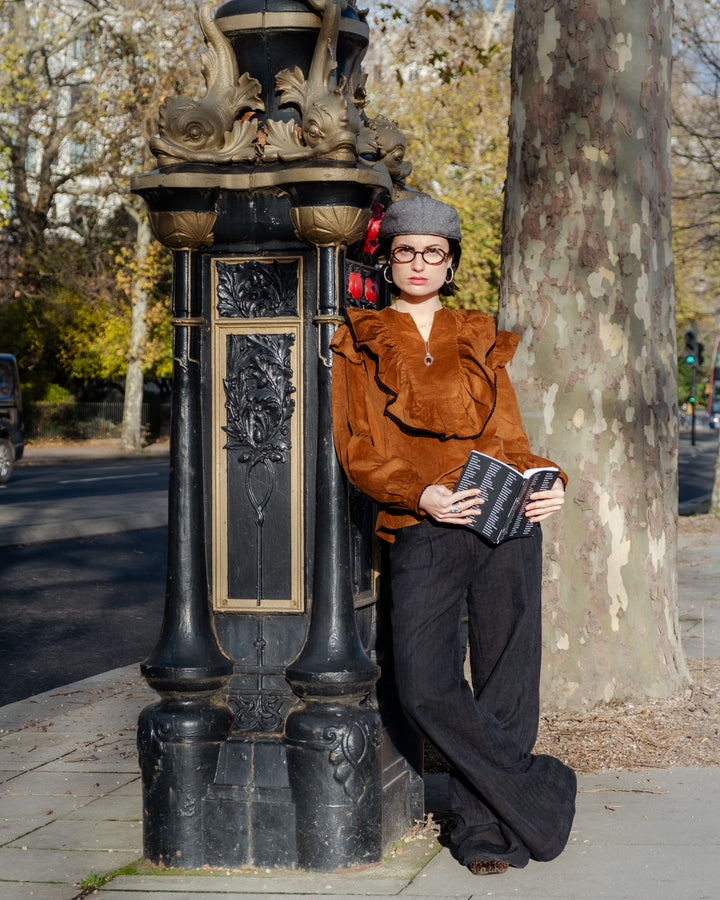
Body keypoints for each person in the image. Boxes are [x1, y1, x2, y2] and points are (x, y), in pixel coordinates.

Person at [329, 194, 577, 875]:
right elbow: (355, 449)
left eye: (432, 252)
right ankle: (541, 789)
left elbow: (514, 442)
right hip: (424, 528)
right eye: (406, 251)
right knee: (424, 685)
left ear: (450, 263)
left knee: (507, 681)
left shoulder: (477, 333)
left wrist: (550, 481)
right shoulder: (359, 338)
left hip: (507, 525)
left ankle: (484, 831)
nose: (418, 263)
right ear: (389, 260)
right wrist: (422, 493)